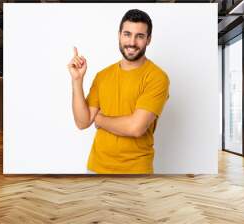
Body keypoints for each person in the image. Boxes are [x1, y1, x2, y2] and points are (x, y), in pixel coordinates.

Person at [67, 9, 169, 174]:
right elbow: (83, 122)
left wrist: (100, 120)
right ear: (119, 35)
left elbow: (136, 127)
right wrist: (77, 81)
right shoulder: (103, 76)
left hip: (136, 171)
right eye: (127, 34)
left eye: (140, 36)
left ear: (148, 40)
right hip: (96, 168)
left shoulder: (157, 77)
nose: (132, 42)